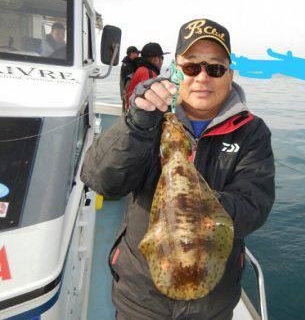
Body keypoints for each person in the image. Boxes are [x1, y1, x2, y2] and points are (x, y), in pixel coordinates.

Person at [81, 18, 275, 320]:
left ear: (229, 75)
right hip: (140, 299)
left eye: (214, 68)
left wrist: (192, 207)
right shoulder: (150, 119)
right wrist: (138, 121)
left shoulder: (251, 132)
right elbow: (103, 180)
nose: (202, 77)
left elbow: (255, 205)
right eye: (191, 67)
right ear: (175, 70)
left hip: (213, 304)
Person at [125, 42, 169, 110]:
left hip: (131, 114)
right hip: (138, 117)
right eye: (162, 58)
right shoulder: (148, 73)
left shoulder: (141, 70)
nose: (162, 61)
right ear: (156, 59)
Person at [120, 46, 140, 112]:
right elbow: (133, 77)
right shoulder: (127, 65)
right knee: (127, 108)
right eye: (136, 53)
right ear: (131, 54)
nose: (138, 55)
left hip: (127, 90)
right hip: (126, 90)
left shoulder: (130, 62)